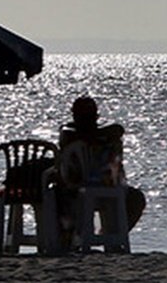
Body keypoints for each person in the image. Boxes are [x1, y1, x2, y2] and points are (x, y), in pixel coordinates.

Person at [57, 96, 146, 245]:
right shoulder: (70, 134)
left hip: (108, 185)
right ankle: (73, 238)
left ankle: (110, 235)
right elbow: (66, 133)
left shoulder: (106, 133)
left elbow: (118, 129)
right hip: (77, 188)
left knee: (136, 199)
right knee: (59, 197)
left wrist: (93, 135)